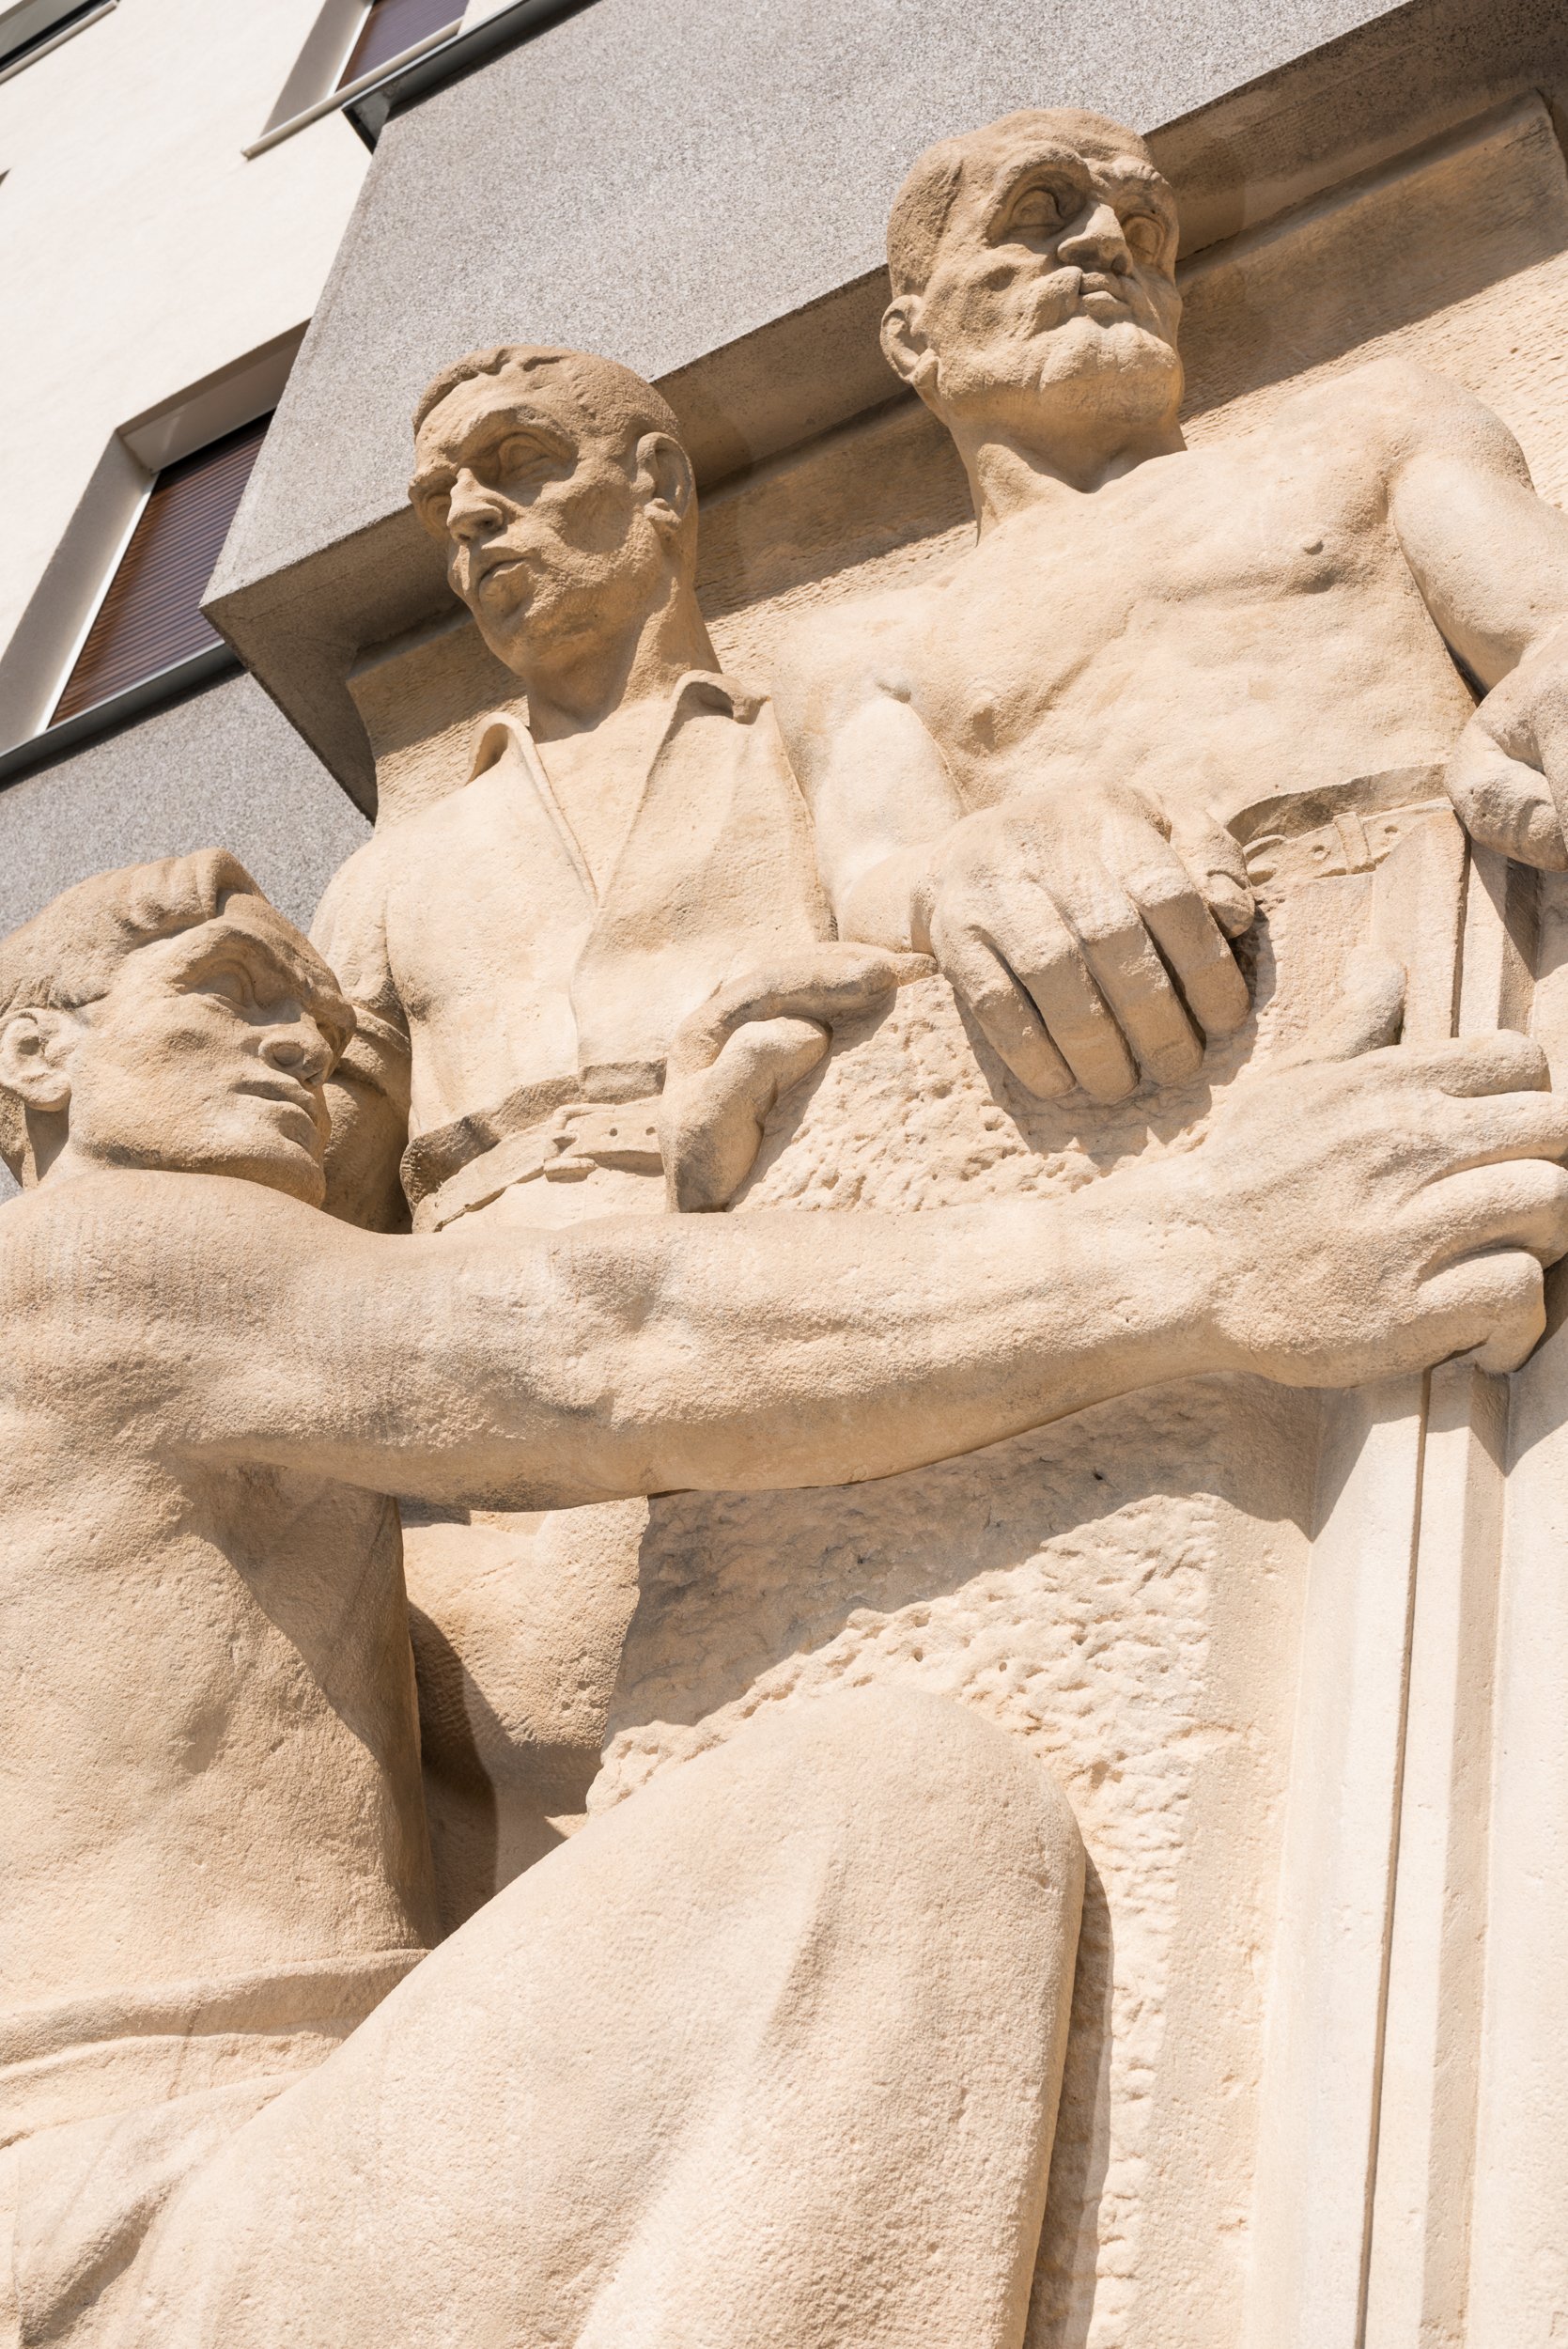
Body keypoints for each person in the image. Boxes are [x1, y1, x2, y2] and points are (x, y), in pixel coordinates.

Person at [4, 849, 1564, 2344]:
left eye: (321, 1024)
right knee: (890, 1815)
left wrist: (752, 1198)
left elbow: (563, 1613)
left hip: (245, 2194)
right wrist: (1202, 1248)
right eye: (222, 994)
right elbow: (587, 1352)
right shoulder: (79, 1269)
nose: (296, 1048)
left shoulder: (215, 1497)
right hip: (141, 2219)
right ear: (33, 1054)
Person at [313, 345, 873, 1913]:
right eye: (444, 502)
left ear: (661, 485)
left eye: (516, 464)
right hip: (479, 1373)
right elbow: (313, 1201)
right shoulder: (392, 875)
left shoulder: (803, 729)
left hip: (757, 1283)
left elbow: (907, 929)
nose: (473, 521)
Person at [772, 107, 1568, 1100]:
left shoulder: (1368, 429)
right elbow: (880, 878)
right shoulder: (865, 647)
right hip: (1149, 1059)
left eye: (1144, 229)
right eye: (1038, 212)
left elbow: (1549, 629)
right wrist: (977, 862)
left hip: (1475, 936)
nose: (1108, 241)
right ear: (913, 337)